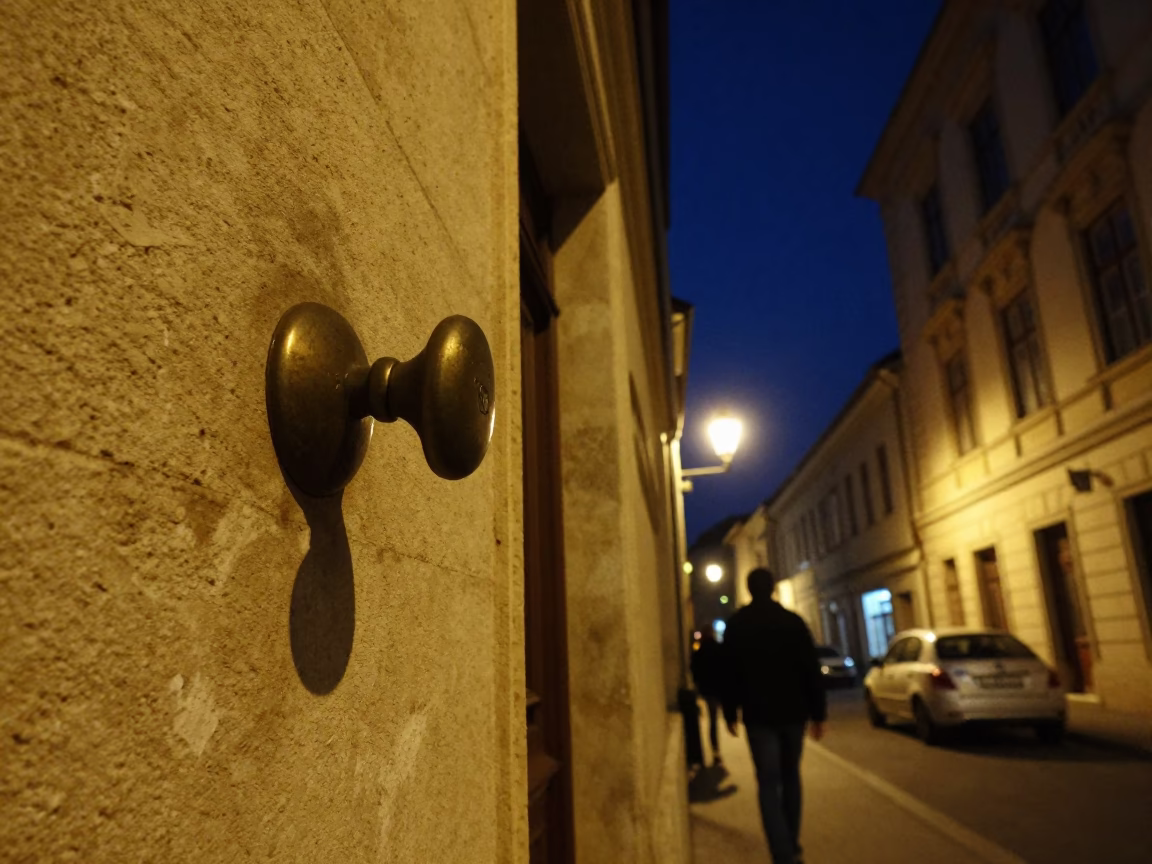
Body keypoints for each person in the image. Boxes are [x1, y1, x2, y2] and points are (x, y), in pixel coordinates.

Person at [721, 568, 826, 864]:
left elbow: (729, 674)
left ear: (749, 589)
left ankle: (782, 852)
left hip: (758, 715)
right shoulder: (793, 622)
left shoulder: (737, 625)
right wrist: (818, 714)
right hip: (794, 712)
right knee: (791, 776)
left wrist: (730, 712)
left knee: (768, 783)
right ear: (772, 588)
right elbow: (810, 669)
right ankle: (791, 844)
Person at [690, 632, 726, 766]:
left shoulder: (699, 652)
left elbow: (694, 670)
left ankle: (713, 750)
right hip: (719, 689)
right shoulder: (719, 650)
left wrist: (698, 684)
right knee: (715, 719)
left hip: (707, 690)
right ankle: (716, 750)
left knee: (712, 719)